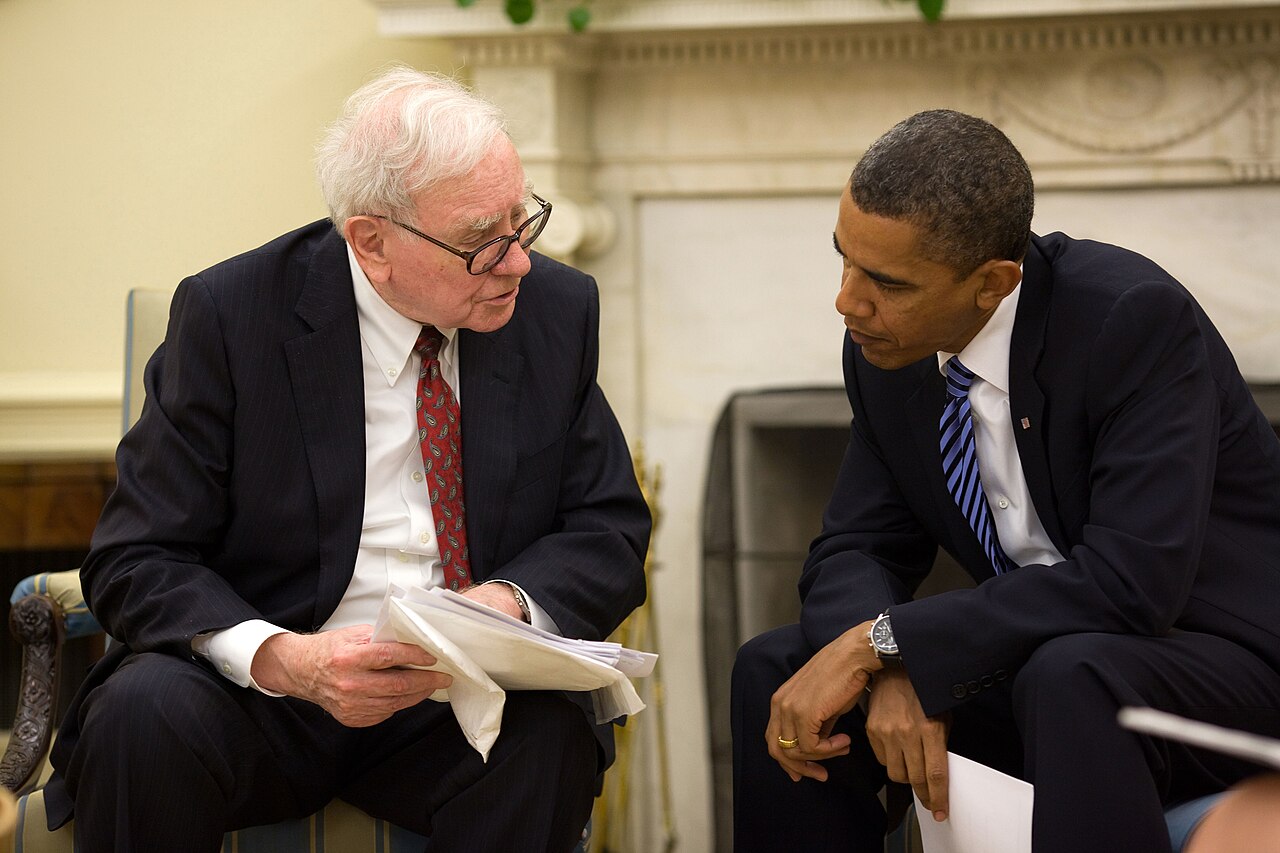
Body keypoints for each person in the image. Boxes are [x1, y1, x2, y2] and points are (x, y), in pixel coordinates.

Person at [42, 66, 651, 852]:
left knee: (551, 737)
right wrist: (287, 660)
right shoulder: (233, 317)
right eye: (480, 241)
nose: (517, 263)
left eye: (520, 219)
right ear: (372, 241)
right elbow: (136, 557)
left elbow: (607, 528)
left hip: (452, 703)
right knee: (140, 714)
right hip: (264, 698)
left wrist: (505, 604)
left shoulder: (554, 312)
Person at [730, 110, 1280, 853]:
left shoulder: (1130, 319)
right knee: (777, 665)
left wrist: (891, 643)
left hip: (1225, 663)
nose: (848, 301)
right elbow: (858, 545)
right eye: (845, 260)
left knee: (1072, 672)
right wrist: (886, 665)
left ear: (993, 283)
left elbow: (1132, 583)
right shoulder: (887, 348)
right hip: (1049, 662)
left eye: (886, 281)